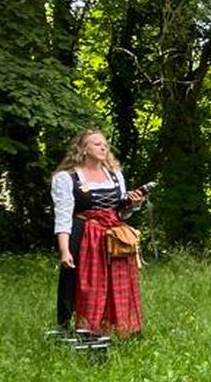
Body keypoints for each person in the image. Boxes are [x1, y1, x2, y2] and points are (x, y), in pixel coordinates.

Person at [51, 129, 145, 338]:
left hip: (113, 236)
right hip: (83, 234)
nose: (103, 147)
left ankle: (118, 329)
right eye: (96, 144)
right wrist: (65, 250)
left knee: (117, 282)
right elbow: (63, 215)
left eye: (105, 143)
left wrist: (133, 204)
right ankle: (74, 331)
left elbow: (120, 211)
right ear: (83, 149)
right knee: (80, 283)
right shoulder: (67, 178)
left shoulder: (115, 175)